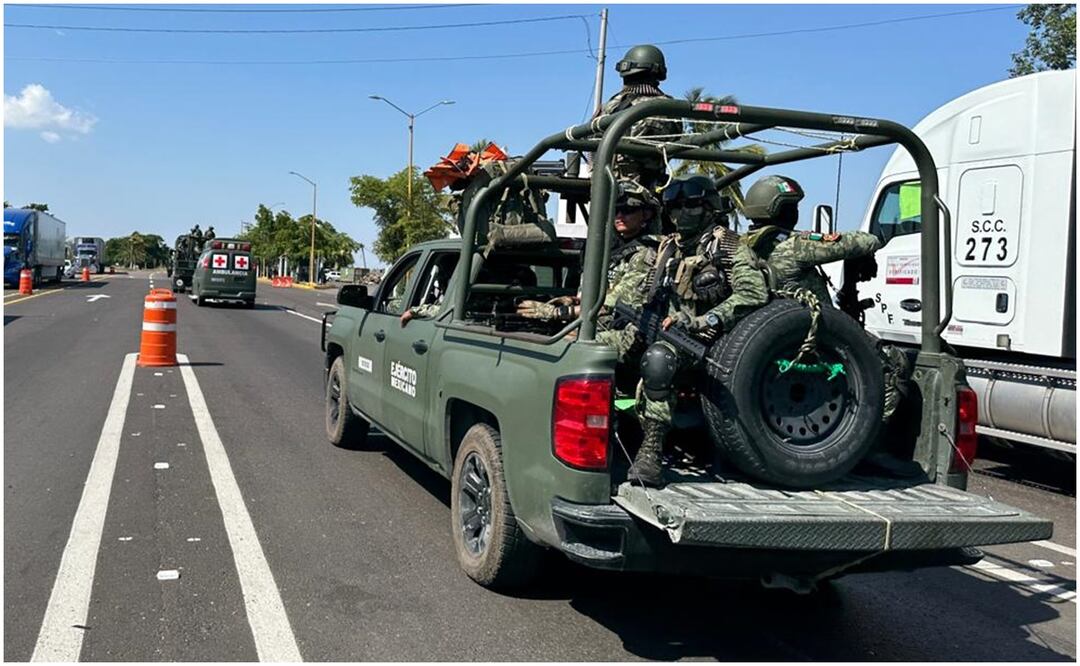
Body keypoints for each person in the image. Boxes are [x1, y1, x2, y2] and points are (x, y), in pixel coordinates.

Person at [625, 176, 770, 487]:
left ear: (708, 208)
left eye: (689, 205)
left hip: (709, 341)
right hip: (662, 329)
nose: (679, 213)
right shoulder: (668, 246)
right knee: (596, 347)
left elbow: (752, 293)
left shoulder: (727, 246)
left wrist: (704, 321)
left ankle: (651, 450)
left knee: (659, 360)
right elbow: (648, 291)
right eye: (674, 206)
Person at [741, 174, 880, 304]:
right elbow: (868, 240)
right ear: (782, 211)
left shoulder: (744, 246)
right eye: (792, 207)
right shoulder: (795, 246)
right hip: (817, 325)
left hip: (769, 324)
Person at [593, 44, 684, 190]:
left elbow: (592, 147)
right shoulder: (668, 108)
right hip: (647, 190)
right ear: (657, 73)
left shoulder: (608, 106)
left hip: (605, 190)